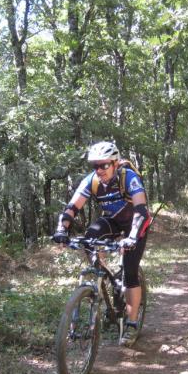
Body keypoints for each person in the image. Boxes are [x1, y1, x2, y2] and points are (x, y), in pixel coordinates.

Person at [52, 141, 150, 347]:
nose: (99, 170)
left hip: (136, 224)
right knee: (90, 238)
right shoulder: (92, 180)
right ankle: (105, 278)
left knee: (130, 270)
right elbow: (72, 207)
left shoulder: (128, 177)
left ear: (114, 163)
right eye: (95, 166)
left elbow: (141, 209)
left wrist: (132, 236)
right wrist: (62, 229)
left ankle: (132, 324)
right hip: (113, 220)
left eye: (104, 165)